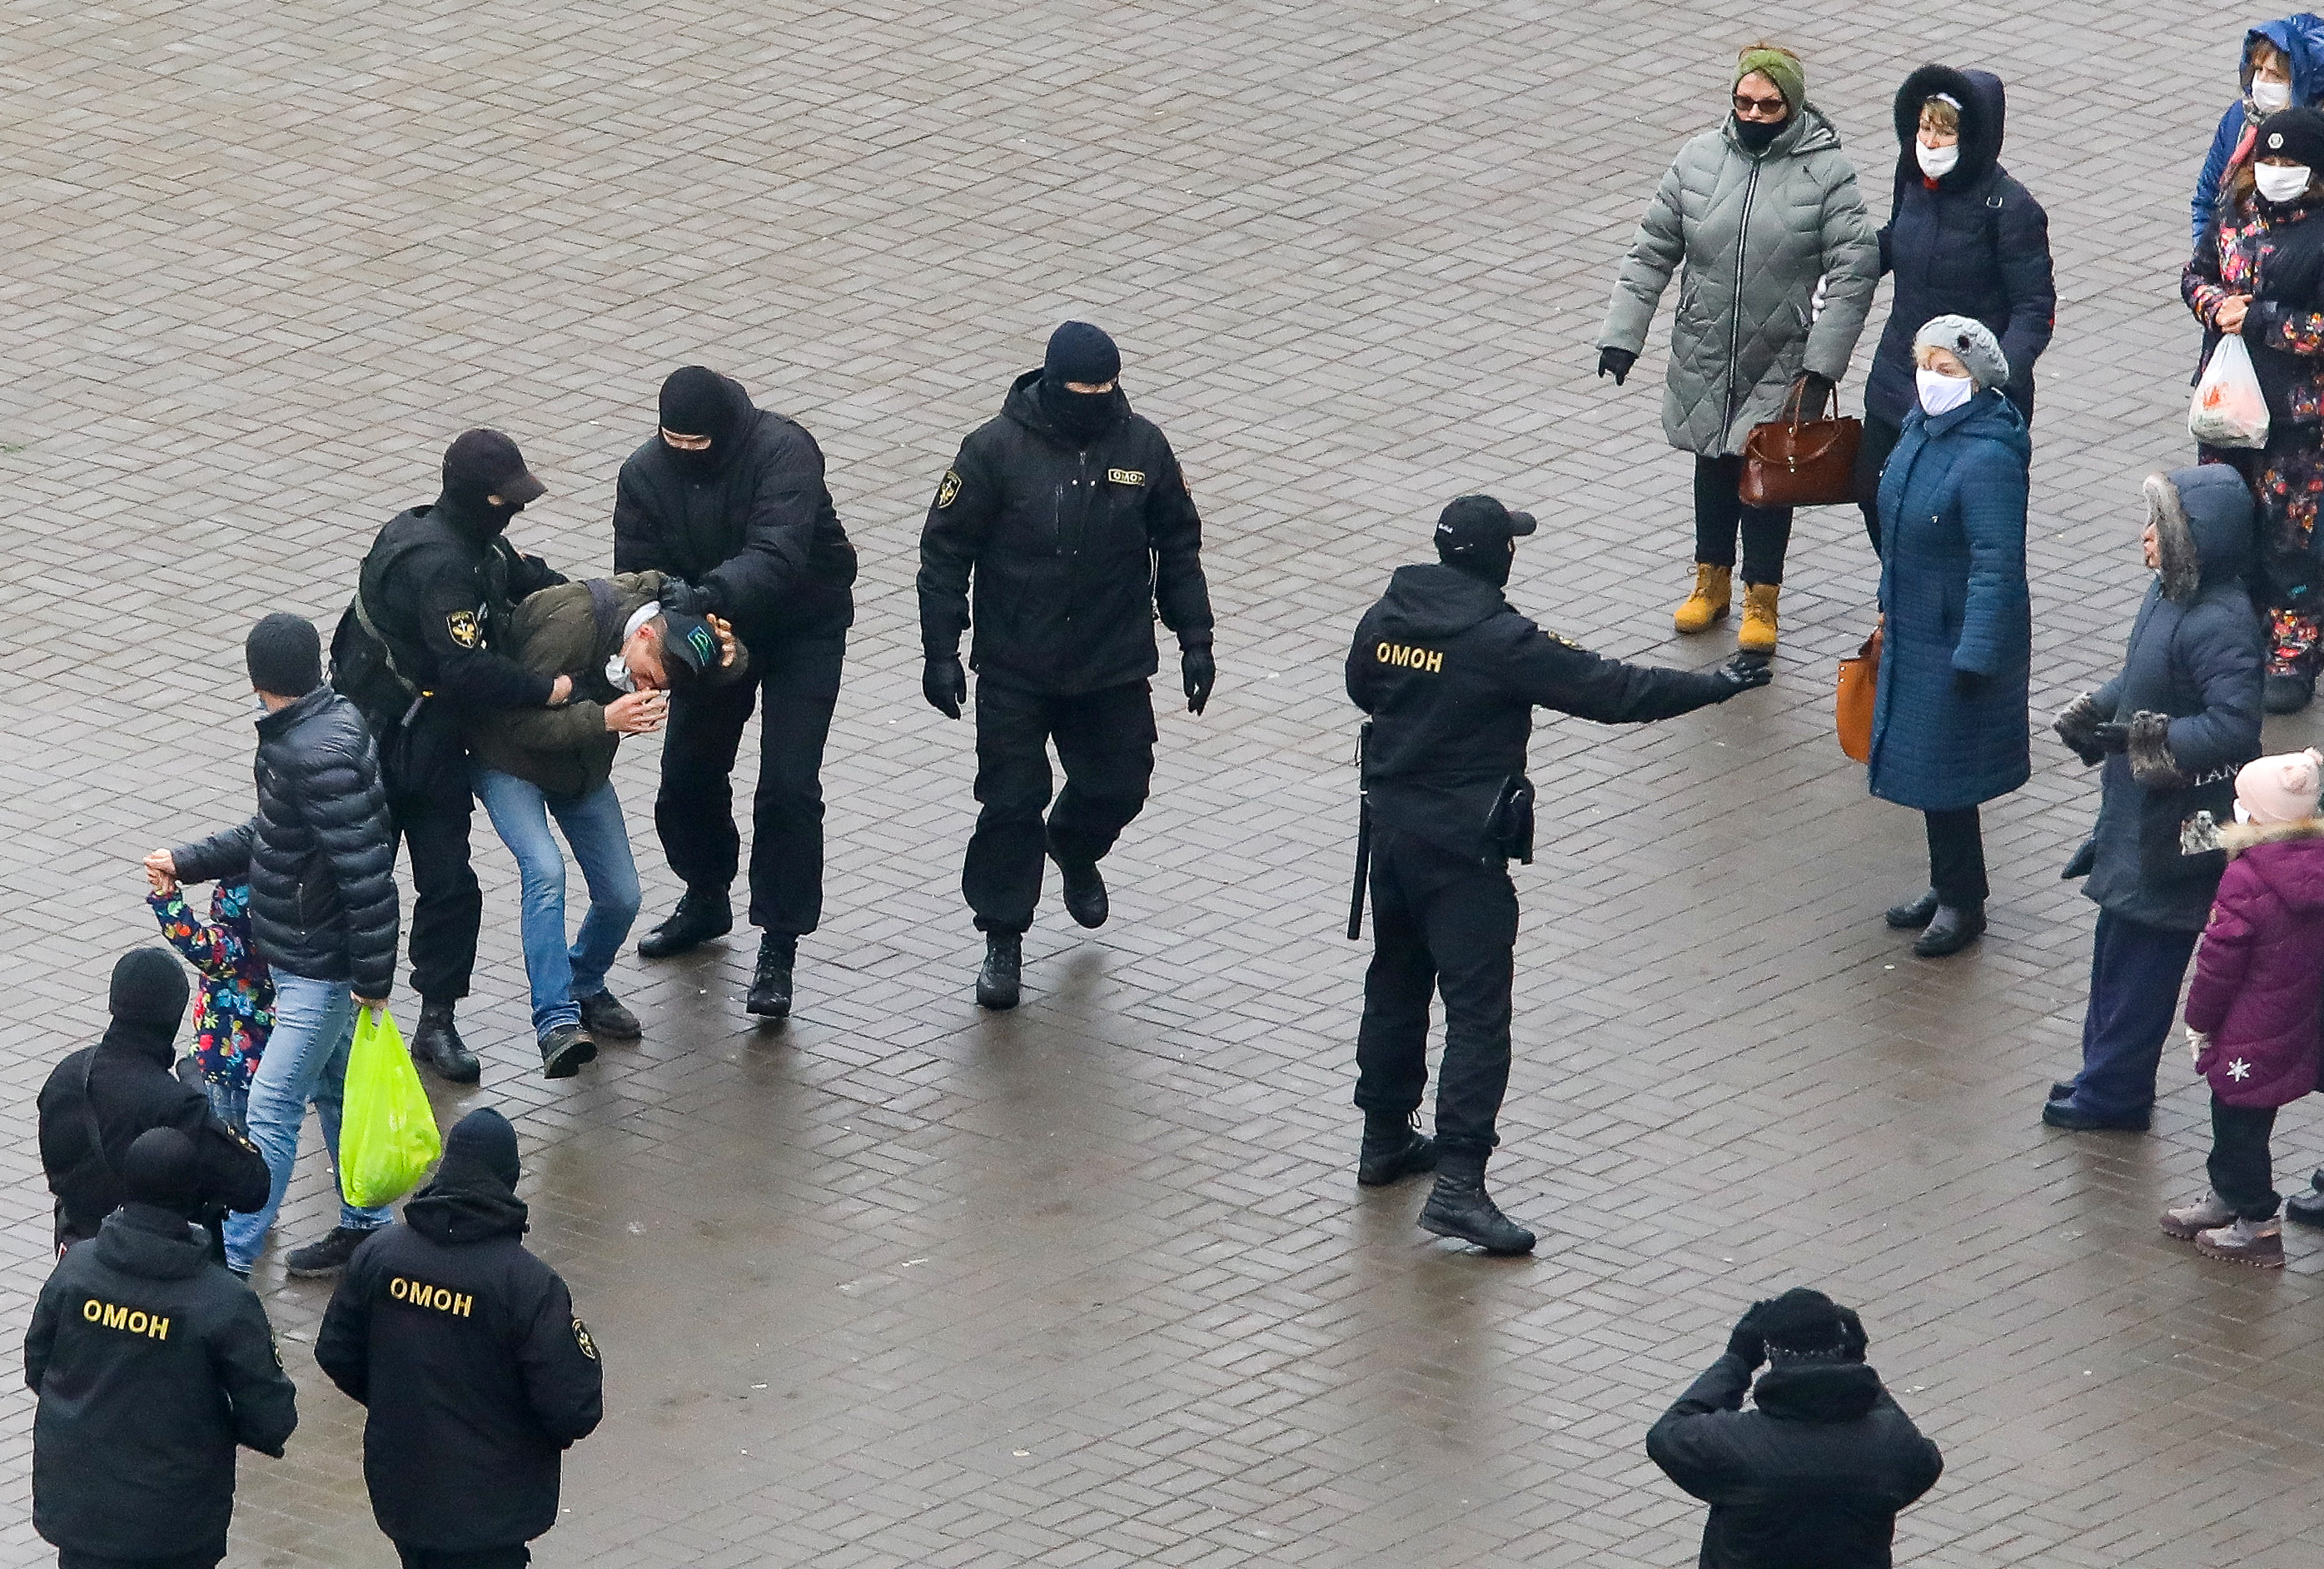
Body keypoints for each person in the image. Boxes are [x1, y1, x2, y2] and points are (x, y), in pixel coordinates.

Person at [1344, 496, 1770, 1253]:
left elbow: (1360, 688)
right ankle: (1458, 1188)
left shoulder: (1388, 616)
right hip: (1463, 853)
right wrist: (1717, 685)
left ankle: (1383, 1138)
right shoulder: (1499, 640)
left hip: (1392, 838)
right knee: (1478, 1015)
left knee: (1397, 981)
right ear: (1494, 557)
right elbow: (1612, 692)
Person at [917, 321, 1216, 1010]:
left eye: (1105, 390)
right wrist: (941, 652)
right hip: (1016, 665)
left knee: (1121, 783)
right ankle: (1002, 935)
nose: (1095, 400)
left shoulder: (1143, 446)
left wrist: (1194, 636)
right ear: (1052, 385)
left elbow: (1178, 543)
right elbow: (942, 555)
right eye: (1082, 390)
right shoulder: (993, 450)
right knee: (1010, 803)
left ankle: (1074, 848)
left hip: (1110, 662)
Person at [1597, 42, 1879, 654]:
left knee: (1766, 473)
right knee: (1711, 462)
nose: (1753, 113)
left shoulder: (1824, 170)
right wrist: (1623, 336)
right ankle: (1709, 582)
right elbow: (1651, 250)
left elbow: (1855, 267)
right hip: (1705, 346)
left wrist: (1823, 362)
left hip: (1783, 354)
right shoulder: (1697, 159)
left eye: (1768, 104)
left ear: (1792, 105)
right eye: (1743, 102)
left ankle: (1762, 596)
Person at [154, 613, 403, 1279]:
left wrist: (374, 979)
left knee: (271, 1105)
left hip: (317, 967)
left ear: (257, 677)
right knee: (335, 1090)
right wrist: (187, 860)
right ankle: (365, 1224)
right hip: (310, 957)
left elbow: (366, 873)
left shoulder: (306, 752)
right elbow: (274, 835)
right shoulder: (319, 731)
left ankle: (230, 1259)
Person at [615, 366, 859, 1023]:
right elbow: (638, 572)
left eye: (700, 443)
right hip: (706, 630)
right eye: (675, 441)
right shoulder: (643, 473)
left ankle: (779, 942)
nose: (687, 453)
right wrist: (677, 615)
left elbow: (777, 554)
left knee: (787, 786)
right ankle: (705, 892)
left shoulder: (783, 450)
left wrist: (705, 597)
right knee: (687, 773)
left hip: (802, 627)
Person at [331, 429, 570, 1082]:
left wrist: (600, 608)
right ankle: (336, 1024)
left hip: (430, 742)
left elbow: (531, 581)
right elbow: (463, 668)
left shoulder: (470, 544)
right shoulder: (439, 564)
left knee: (450, 884)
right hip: (379, 743)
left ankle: (436, 1020)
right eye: (506, 499)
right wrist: (545, 688)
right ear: (476, 498)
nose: (515, 510)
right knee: (358, 884)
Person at [2048, 468, 2265, 1132]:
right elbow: (2140, 673)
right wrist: (2096, 711)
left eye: (2159, 528)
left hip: (2180, 826)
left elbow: (2233, 726)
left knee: (2143, 960)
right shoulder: (2170, 595)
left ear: (2193, 544)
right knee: (2115, 946)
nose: (2144, 538)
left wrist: (2138, 737)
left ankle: (2114, 1094)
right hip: (2141, 814)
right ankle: (2103, 1072)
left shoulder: (2221, 623)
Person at [466, 572, 738, 1076]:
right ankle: (556, 1023)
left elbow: (714, 657)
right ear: (644, 635)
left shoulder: (658, 620)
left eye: (660, 688)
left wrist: (729, 652)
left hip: (580, 770)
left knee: (622, 895)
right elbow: (510, 718)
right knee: (545, 873)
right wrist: (605, 721)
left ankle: (584, 982)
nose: (648, 689)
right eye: (651, 676)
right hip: (508, 762)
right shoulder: (571, 623)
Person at [316, 1108, 605, 1569]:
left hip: (404, 1491)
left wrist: (401, 1400)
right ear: (507, 1180)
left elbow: (335, 1351)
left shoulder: (380, 1255)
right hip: (493, 1507)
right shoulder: (526, 1284)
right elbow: (573, 1405)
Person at [26, 1128, 299, 1569]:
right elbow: (270, 1414)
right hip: (176, 1521)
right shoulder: (222, 1301)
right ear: (194, 1195)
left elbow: (38, 1364)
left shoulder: (76, 1270)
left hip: (83, 1509)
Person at [1868, 317, 2032, 959]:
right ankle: (1948, 884)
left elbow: (1996, 564)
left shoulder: (1988, 458)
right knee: (1932, 769)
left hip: (1956, 639)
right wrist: (1888, 604)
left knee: (1947, 772)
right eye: (1925, 366)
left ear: (1976, 380)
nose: (1931, 381)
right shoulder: (1920, 430)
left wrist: (1976, 653)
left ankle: (1964, 903)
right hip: (1916, 627)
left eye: (1947, 371)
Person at [1854, 67, 2053, 551]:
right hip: (1900, 374)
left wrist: (1993, 373)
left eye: (1945, 130)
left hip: (1972, 389)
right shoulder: (1912, 181)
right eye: (1926, 127)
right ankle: (1896, 601)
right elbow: (1896, 239)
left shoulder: (2010, 208)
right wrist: (1844, 261)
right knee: (1873, 491)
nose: (1931, 141)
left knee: (1953, 520)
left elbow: (2035, 308)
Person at [2159, 748, 2324, 1268]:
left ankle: (2252, 1219)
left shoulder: (2247, 878)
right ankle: (2232, 1199)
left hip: (2255, 1025)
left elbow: (2218, 965)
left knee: (2237, 1114)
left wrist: (2199, 1021)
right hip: (2310, 1017)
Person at [2184, 106, 2324, 713]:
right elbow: (2194, 276)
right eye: (2266, 161)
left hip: (2297, 421)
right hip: (2229, 410)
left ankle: (2292, 652)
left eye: (2288, 162)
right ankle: (2237, 644)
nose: (2273, 172)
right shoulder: (2232, 216)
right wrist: (2212, 304)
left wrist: (2262, 319)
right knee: (2227, 526)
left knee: (2290, 538)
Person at [1646, 1288, 1942, 1569]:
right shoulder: (1887, 1444)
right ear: (1841, 1348)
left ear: (1772, 1354)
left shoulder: (1739, 1444)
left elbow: (1669, 1432)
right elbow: (1925, 1460)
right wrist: (1857, 1372)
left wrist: (1735, 1362)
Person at [37, 949, 270, 1257]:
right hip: (159, 1268)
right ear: (173, 1015)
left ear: (114, 1002)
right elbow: (253, 1187)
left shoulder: (65, 1076)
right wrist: (206, 1109)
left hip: (79, 1256)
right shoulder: (177, 1106)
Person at [145, 873, 271, 1133]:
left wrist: (166, 898)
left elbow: (190, 938)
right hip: (259, 1061)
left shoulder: (232, 946)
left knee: (225, 1139)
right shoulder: (280, 946)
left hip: (224, 1066)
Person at [2192, 18, 2324, 251]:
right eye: (2258, 70)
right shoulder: (2239, 119)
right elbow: (2207, 198)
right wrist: (2207, 258)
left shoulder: (2316, 137)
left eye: (2276, 76)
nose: (2262, 82)